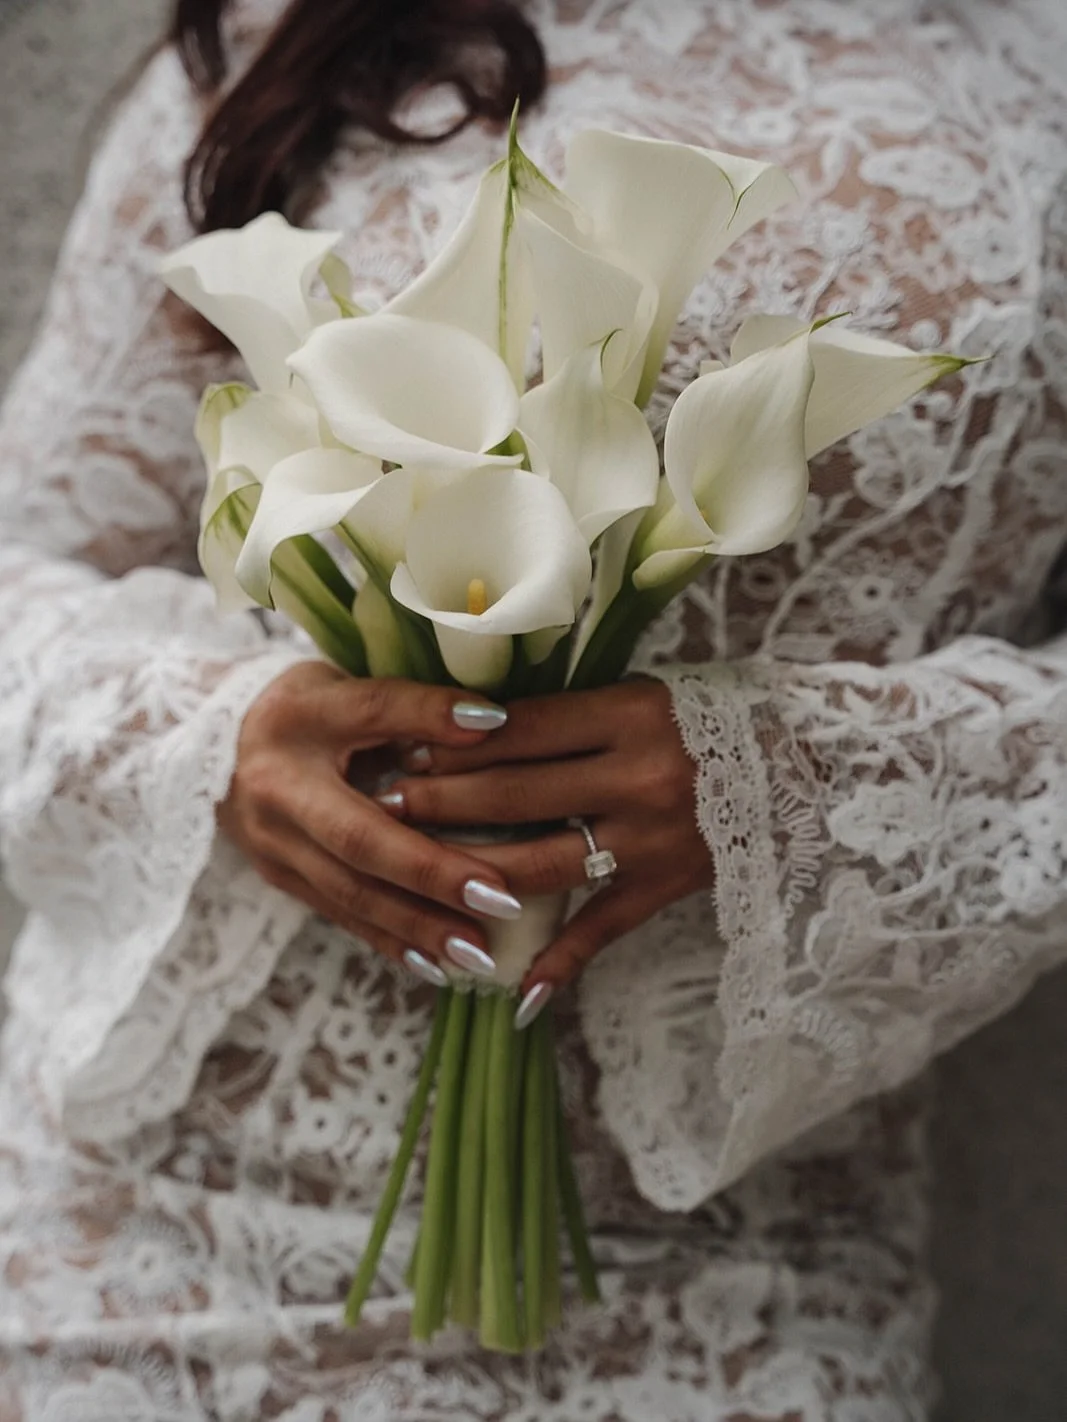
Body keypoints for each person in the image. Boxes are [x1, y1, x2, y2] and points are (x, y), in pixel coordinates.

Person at [1, 0, 1065, 1416]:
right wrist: (222, 737)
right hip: (164, 1233)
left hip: (727, 1266)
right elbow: (26, 568)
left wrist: (792, 781)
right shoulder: (280, 33)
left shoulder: (1034, 76)